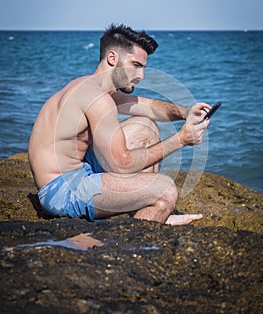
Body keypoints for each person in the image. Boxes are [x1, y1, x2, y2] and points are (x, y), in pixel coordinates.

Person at [28, 24, 211, 225]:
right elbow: (122, 164)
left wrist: (185, 112)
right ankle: (137, 228)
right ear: (112, 58)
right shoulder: (96, 98)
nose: (141, 76)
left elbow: (148, 106)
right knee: (165, 189)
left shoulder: (93, 87)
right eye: (136, 65)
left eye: (143, 68)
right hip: (62, 189)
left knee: (145, 126)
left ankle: (146, 207)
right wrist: (181, 140)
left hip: (80, 168)